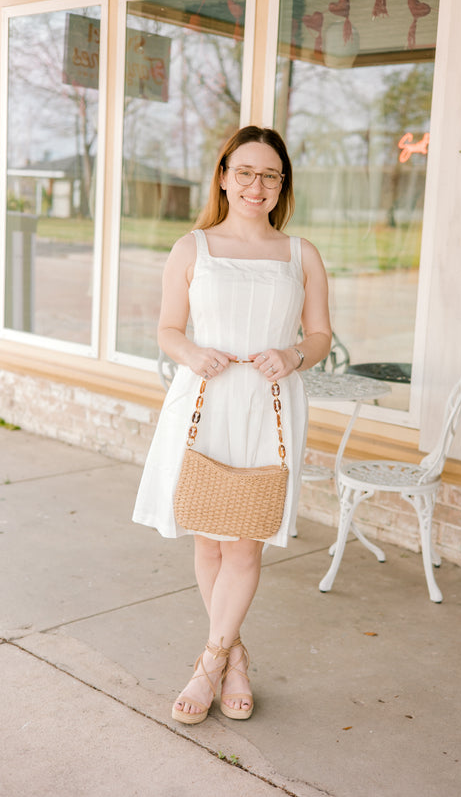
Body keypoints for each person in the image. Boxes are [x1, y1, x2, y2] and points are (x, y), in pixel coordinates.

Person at [133, 125, 332, 725]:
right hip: (205, 401)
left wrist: (294, 355)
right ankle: (236, 656)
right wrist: (192, 354)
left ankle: (209, 663)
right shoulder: (192, 247)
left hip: (266, 407)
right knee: (209, 538)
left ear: (281, 185)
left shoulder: (301, 254)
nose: (257, 185)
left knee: (245, 541)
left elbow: (320, 335)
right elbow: (169, 328)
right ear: (224, 175)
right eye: (245, 171)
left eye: (270, 175)